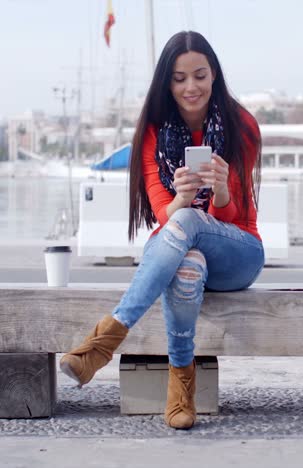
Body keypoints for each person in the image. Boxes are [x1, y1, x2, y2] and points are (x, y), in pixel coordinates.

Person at [60, 31, 264, 430]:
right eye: (179, 78)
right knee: (186, 265)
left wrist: (220, 190)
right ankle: (181, 387)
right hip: (184, 247)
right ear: (166, 83)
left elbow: (235, 218)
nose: (191, 87)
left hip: (239, 253)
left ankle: (105, 341)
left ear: (215, 75)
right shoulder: (153, 133)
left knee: (186, 226)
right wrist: (181, 198)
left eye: (200, 75)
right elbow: (162, 213)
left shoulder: (243, 126)